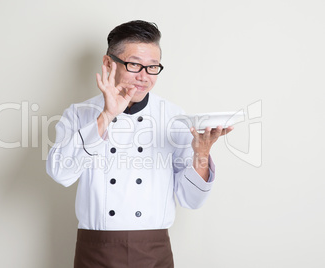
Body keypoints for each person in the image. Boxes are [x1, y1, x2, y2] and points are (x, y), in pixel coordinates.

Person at [46, 20, 233, 268]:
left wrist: (201, 154)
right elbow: (61, 173)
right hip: (96, 250)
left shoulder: (173, 116)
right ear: (108, 63)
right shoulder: (79, 114)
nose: (144, 77)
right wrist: (106, 116)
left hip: (154, 251)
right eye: (134, 64)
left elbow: (191, 200)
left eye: (152, 67)